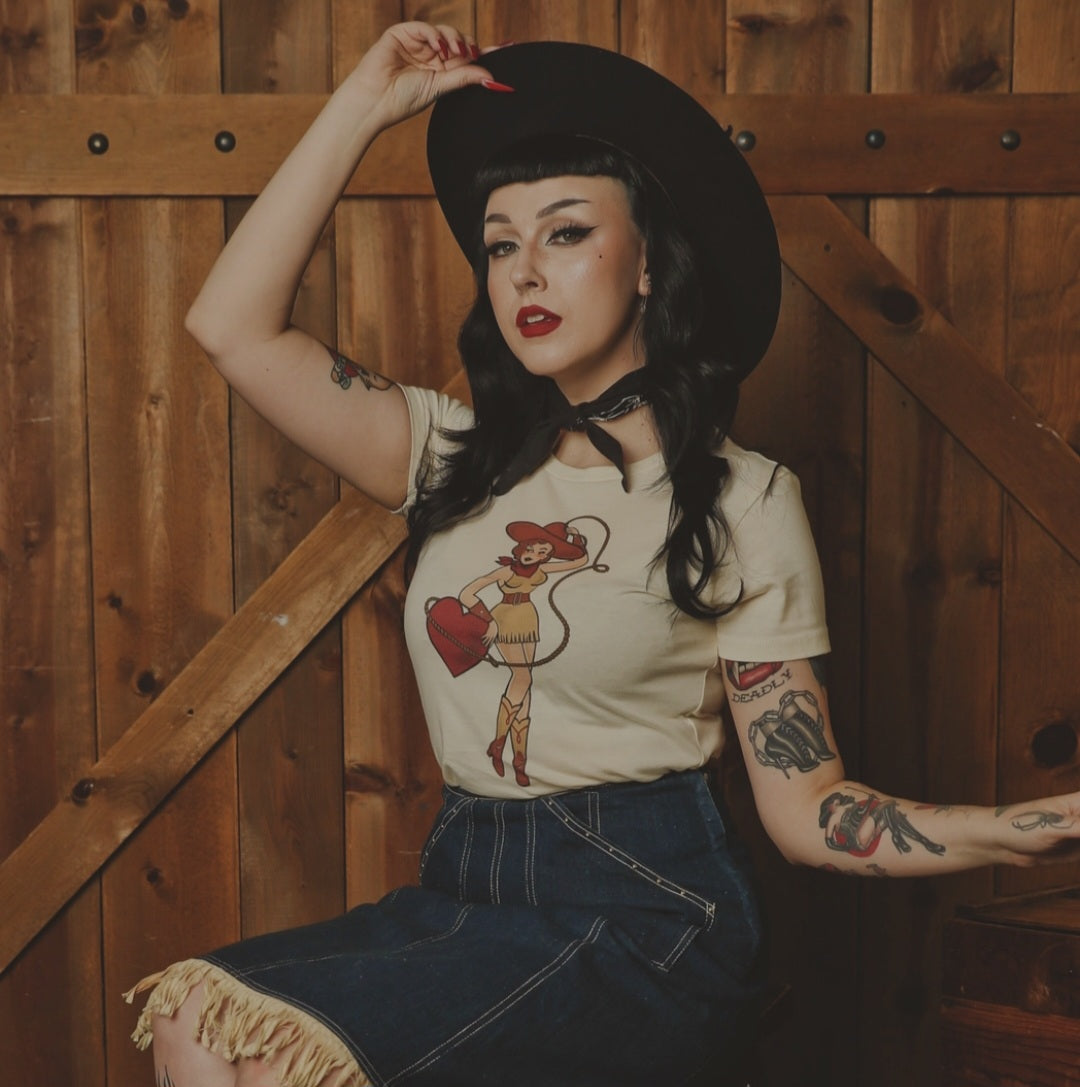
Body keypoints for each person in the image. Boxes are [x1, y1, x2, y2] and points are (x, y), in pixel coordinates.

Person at [124, 21, 1080, 1087]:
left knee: (262, 1069)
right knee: (195, 1022)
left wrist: (1019, 828)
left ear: (647, 265)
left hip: (649, 916)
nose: (525, 271)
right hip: (469, 890)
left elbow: (808, 809)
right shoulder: (448, 455)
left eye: (567, 233)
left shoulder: (743, 499)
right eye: (500, 244)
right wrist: (363, 106)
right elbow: (232, 327)